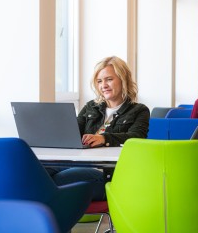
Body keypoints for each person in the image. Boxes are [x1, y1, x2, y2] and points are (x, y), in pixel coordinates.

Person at [48, 56, 150, 201]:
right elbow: (72, 131)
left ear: (123, 79)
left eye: (109, 79)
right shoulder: (91, 106)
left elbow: (136, 137)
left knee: (53, 180)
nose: (104, 85)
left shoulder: (139, 110)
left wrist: (104, 138)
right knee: (36, 170)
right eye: (99, 81)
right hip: (77, 164)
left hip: (107, 174)